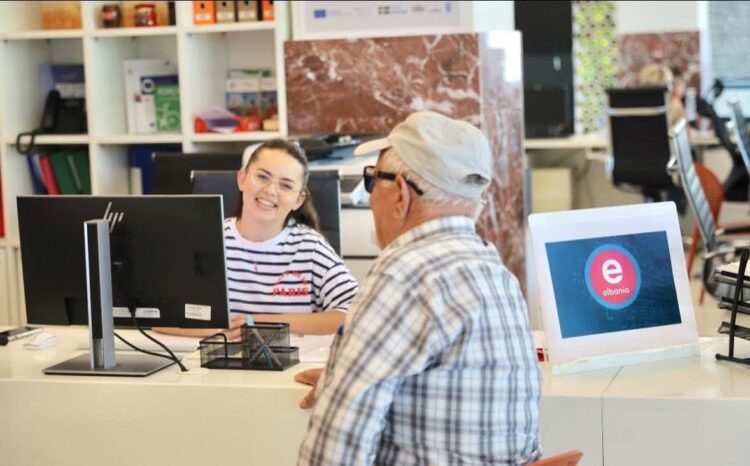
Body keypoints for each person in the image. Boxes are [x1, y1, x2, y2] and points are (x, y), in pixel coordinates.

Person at [295, 111, 542, 465]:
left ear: (400, 194)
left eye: (371, 180)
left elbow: (337, 448)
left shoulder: (403, 276)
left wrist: (348, 389)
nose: (369, 198)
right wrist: (348, 374)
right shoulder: (496, 272)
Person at [155, 139, 358, 338]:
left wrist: (261, 323)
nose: (270, 191)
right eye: (262, 177)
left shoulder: (311, 248)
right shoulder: (208, 240)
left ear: (299, 199)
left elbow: (355, 314)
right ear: (242, 178)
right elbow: (159, 315)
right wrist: (224, 331)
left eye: (286, 186)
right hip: (217, 356)